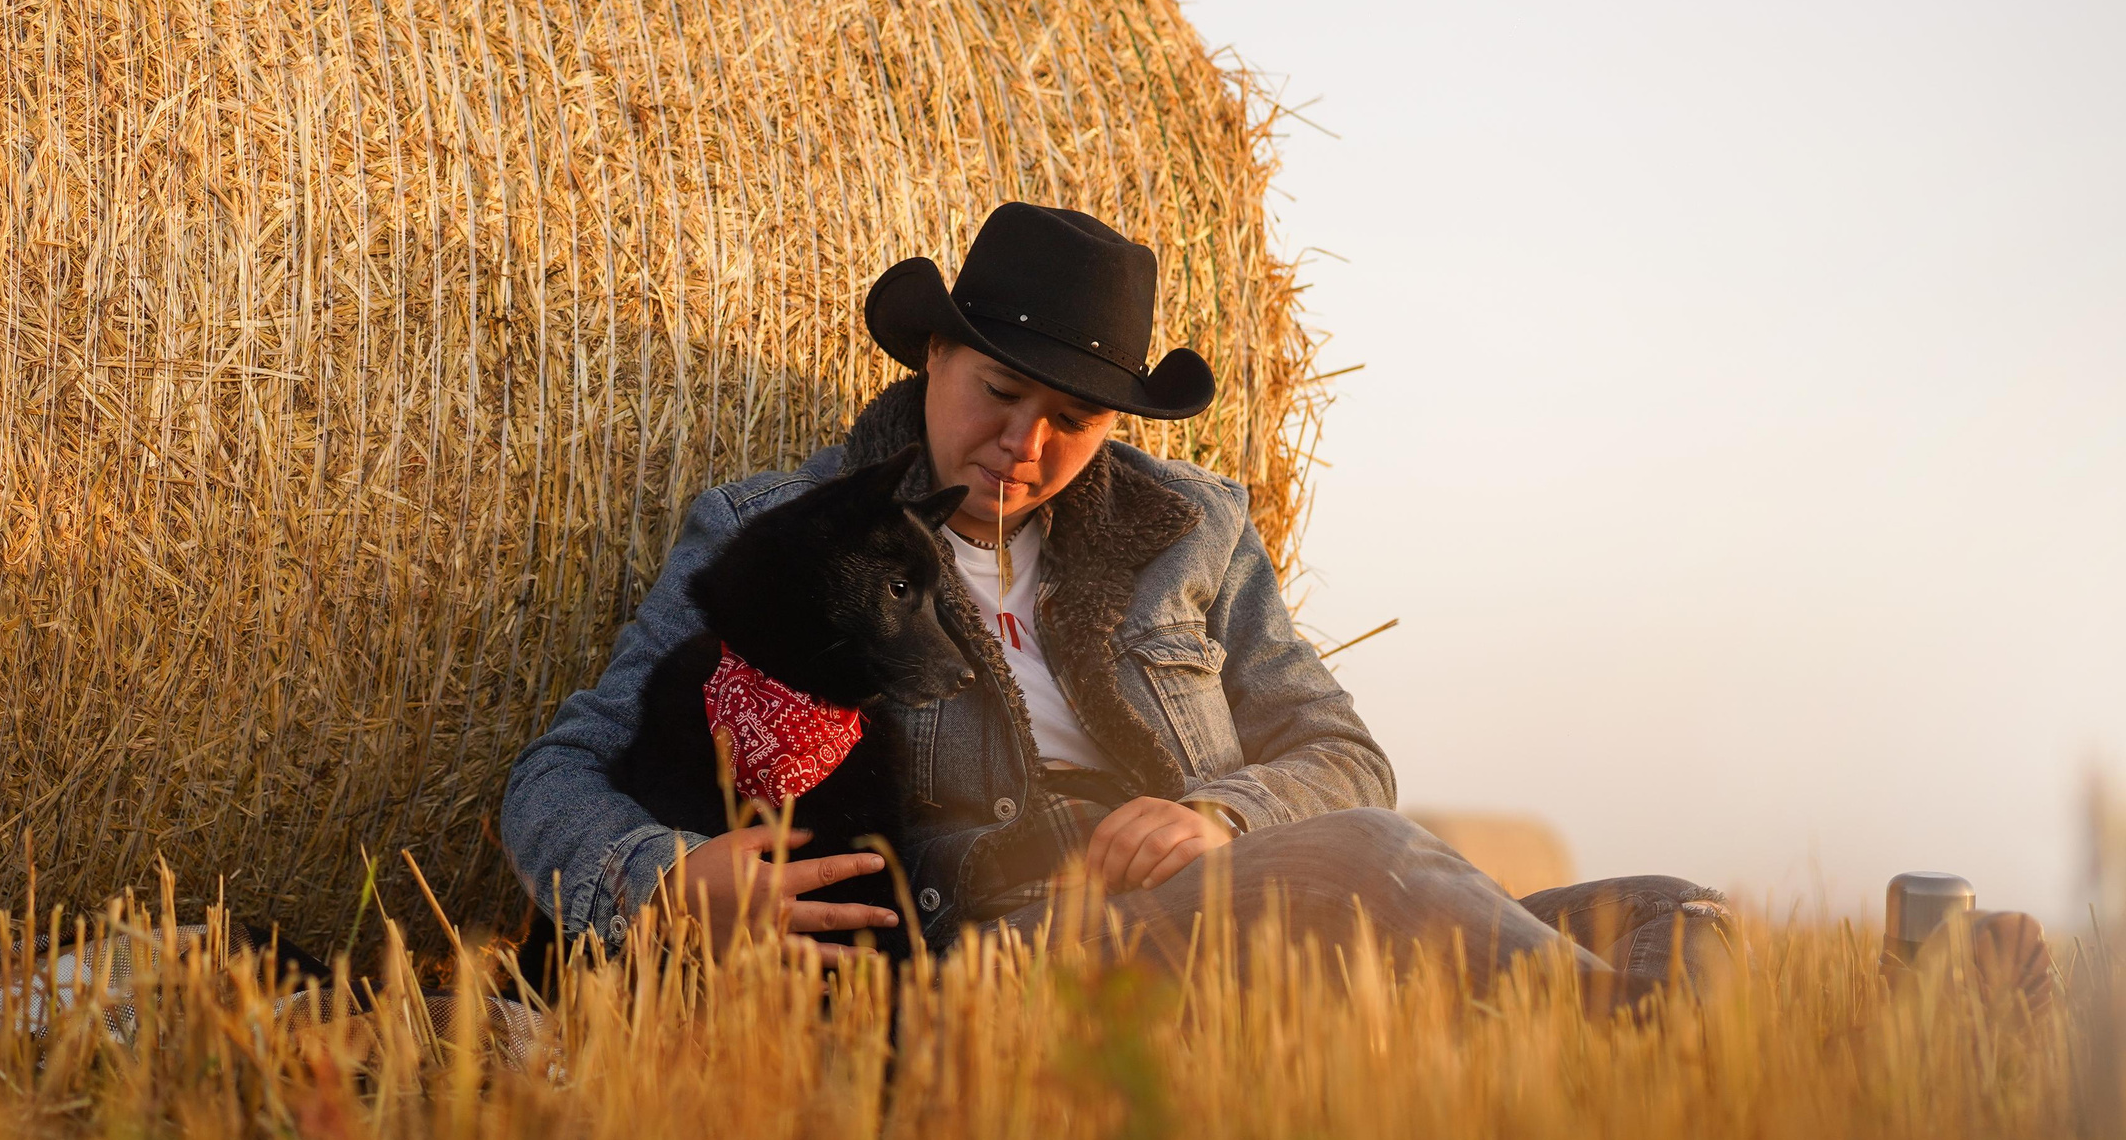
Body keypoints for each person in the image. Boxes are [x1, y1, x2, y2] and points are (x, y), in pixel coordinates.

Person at [502, 202, 1730, 998]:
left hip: (1217, 897)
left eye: (1072, 421)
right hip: (989, 952)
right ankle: (1646, 1068)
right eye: (995, 394)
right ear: (929, 356)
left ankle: (1624, 1064)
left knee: (1672, 907)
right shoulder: (771, 536)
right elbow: (559, 771)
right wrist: (657, 878)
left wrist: (1225, 818)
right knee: (1370, 866)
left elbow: (1343, 753)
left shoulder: (1191, 529)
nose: (1022, 446)